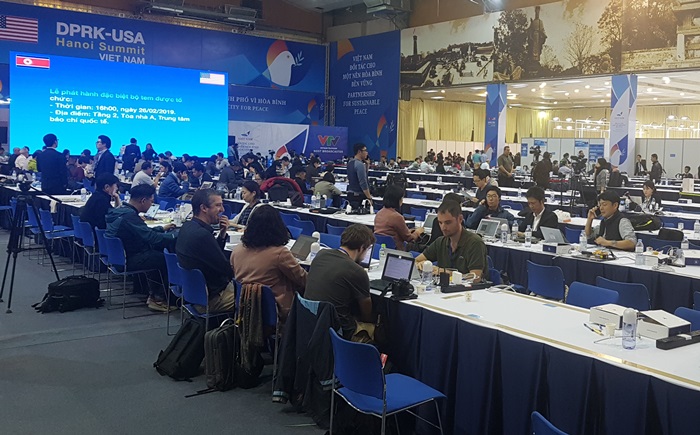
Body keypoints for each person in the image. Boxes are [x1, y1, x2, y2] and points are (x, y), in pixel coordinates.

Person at [106, 184, 177, 312]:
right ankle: (158, 298)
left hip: (118, 257)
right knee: (165, 259)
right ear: (143, 201)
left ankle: (152, 293)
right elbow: (153, 238)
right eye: (151, 201)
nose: (152, 204)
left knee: (156, 254)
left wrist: (161, 228)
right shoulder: (130, 217)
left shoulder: (120, 211)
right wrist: (176, 235)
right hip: (129, 259)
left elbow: (142, 232)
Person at [230, 205, 307, 320]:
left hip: (244, 308)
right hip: (275, 311)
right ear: (278, 227)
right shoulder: (280, 254)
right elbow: (302, 279)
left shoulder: (237, 251)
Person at [304, 224, 376, 340]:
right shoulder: (357, 271)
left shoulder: (321, 255)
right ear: (362, 248)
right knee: (375, 331)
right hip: (338, 328)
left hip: (309, 320)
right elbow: (366, 312)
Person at [176, 189, 236, 313]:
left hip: (194, 295)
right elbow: (226, 269)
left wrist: (222, 234)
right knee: (256, 298)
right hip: (211, 299)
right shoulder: (202, 235)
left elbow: (212, 257)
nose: (222, 210)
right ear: (204, 208)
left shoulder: (187, 227)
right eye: (218, 205)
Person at [416, 200, 488, 279]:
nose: (443, 227)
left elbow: (475, 277)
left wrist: (449, 273)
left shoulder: (475, 243)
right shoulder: (440, 242)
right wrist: (421, 264)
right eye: (440, 223)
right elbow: (416, 261)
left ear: (460, 219)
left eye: (448, 223)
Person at [373, 185, 425, 250]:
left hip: (380, 248)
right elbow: (409, 238)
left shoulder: (379, 213)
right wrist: (417, 232)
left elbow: (390, 232)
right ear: (398, 200)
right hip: (396, 249)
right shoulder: (397, 217)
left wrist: (408, 231)